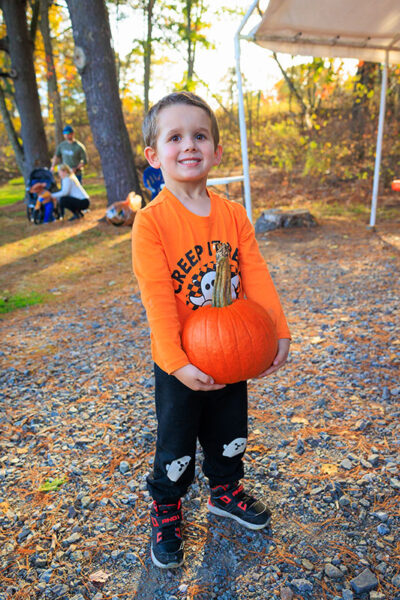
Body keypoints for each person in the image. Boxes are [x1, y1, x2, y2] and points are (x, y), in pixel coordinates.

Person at [131, 92, 291, 569]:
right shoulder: (151, 223)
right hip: (180, 360)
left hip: (232, 352)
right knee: (176, 441)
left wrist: (277, 330)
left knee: (229, 433)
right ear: (154, 155)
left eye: (200, 135)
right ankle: (166, 507)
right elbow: (157, 298)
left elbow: (257, 275)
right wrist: (176, 362)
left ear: (217, 151)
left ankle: (225, 490)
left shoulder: (232, 214)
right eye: (175, 136)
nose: (189, 145)